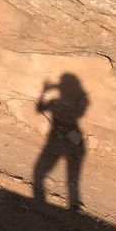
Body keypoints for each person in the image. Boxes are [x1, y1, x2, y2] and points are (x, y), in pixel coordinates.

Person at [33, 73, 89, 211]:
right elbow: (81, 110)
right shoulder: (74, 102)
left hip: (58, 136)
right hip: (73, 134)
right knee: (72, 175)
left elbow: (38, 109)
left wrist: (45, 91)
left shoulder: (54, 102)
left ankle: (41, 205)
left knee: (39, 172)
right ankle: (73, 204)